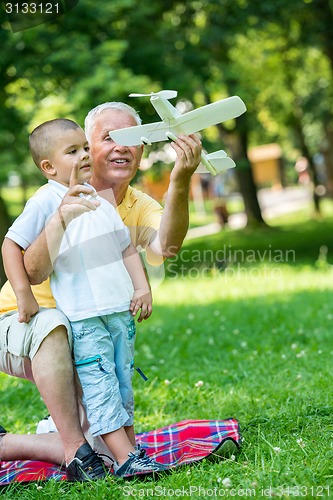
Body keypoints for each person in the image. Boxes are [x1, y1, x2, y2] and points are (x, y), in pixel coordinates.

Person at [0, 102, 202, 473]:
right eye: (108, 137)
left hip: (92, 324)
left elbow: (159, 249)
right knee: (55, 329)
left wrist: (180, 180)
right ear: (89, 148)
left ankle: (75, 436)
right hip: (29, 325)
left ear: (143, 151)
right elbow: (29, 268)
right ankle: (49, 442)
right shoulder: (53, 197)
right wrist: (59, 219)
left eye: (132, 139)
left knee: (108, 448)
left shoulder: (119, 204)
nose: (122, 146)